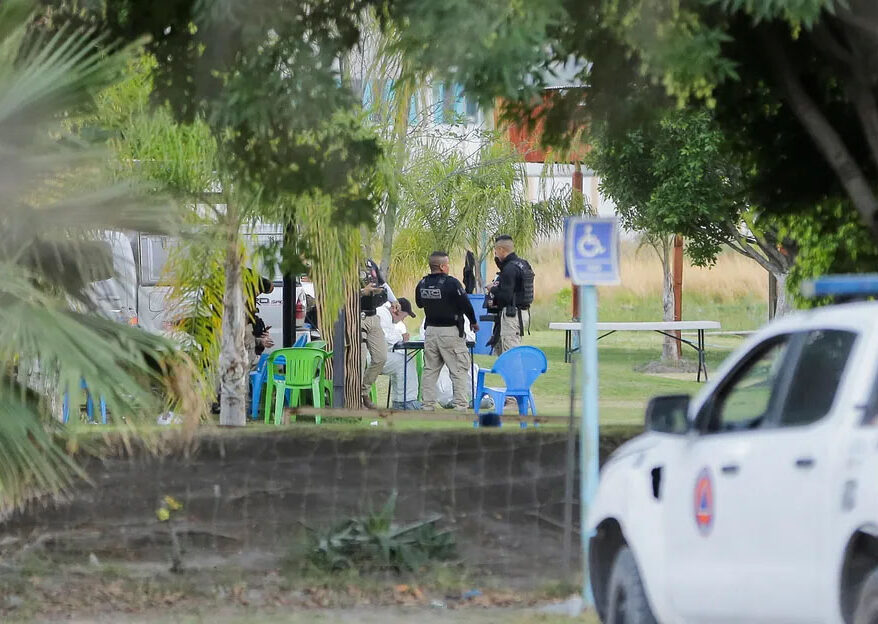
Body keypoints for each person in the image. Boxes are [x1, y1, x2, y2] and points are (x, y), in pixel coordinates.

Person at [416, 251, 479, 411]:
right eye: (448, 264)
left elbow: (419, 304)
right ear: (443, 266)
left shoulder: (422, 283)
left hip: (430, 332)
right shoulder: (452, 283)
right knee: (458, 369)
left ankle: (427, 405)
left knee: (430, 370)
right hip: (450, 332)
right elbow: (466, 304)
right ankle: (461, 406)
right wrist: (473, 322)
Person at [487, 235, 534, 355]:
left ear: (502, 250)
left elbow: (505, 296)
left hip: (512, 315)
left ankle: (515, 374)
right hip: (521, 312)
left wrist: (493, 289)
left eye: (496, 251)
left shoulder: (509, 269)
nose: (496, 254)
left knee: (510, 354)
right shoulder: (523, 264)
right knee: (505, 351)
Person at [377, 298, 420, 409]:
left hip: (373, 354)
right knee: (406, 362)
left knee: (401, 361)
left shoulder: (385, 315)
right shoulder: (383, 314)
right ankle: (406, 402)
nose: (403, 320)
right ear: (398, 311)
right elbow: (388, 338)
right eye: (404, 317)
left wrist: (398, 336)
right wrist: (401, 336)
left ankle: (400, 401)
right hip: (372, 356)